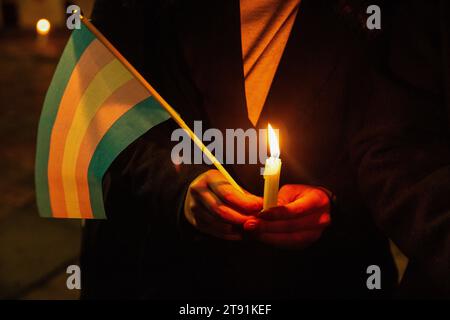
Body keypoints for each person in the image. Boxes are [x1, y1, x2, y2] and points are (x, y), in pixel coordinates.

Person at [80, 0, 449, 299]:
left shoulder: (384, 12)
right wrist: (182, 184)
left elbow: (397, 131)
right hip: (156, 268)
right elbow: (107, 110)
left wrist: (330, 198)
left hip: (319, 277)